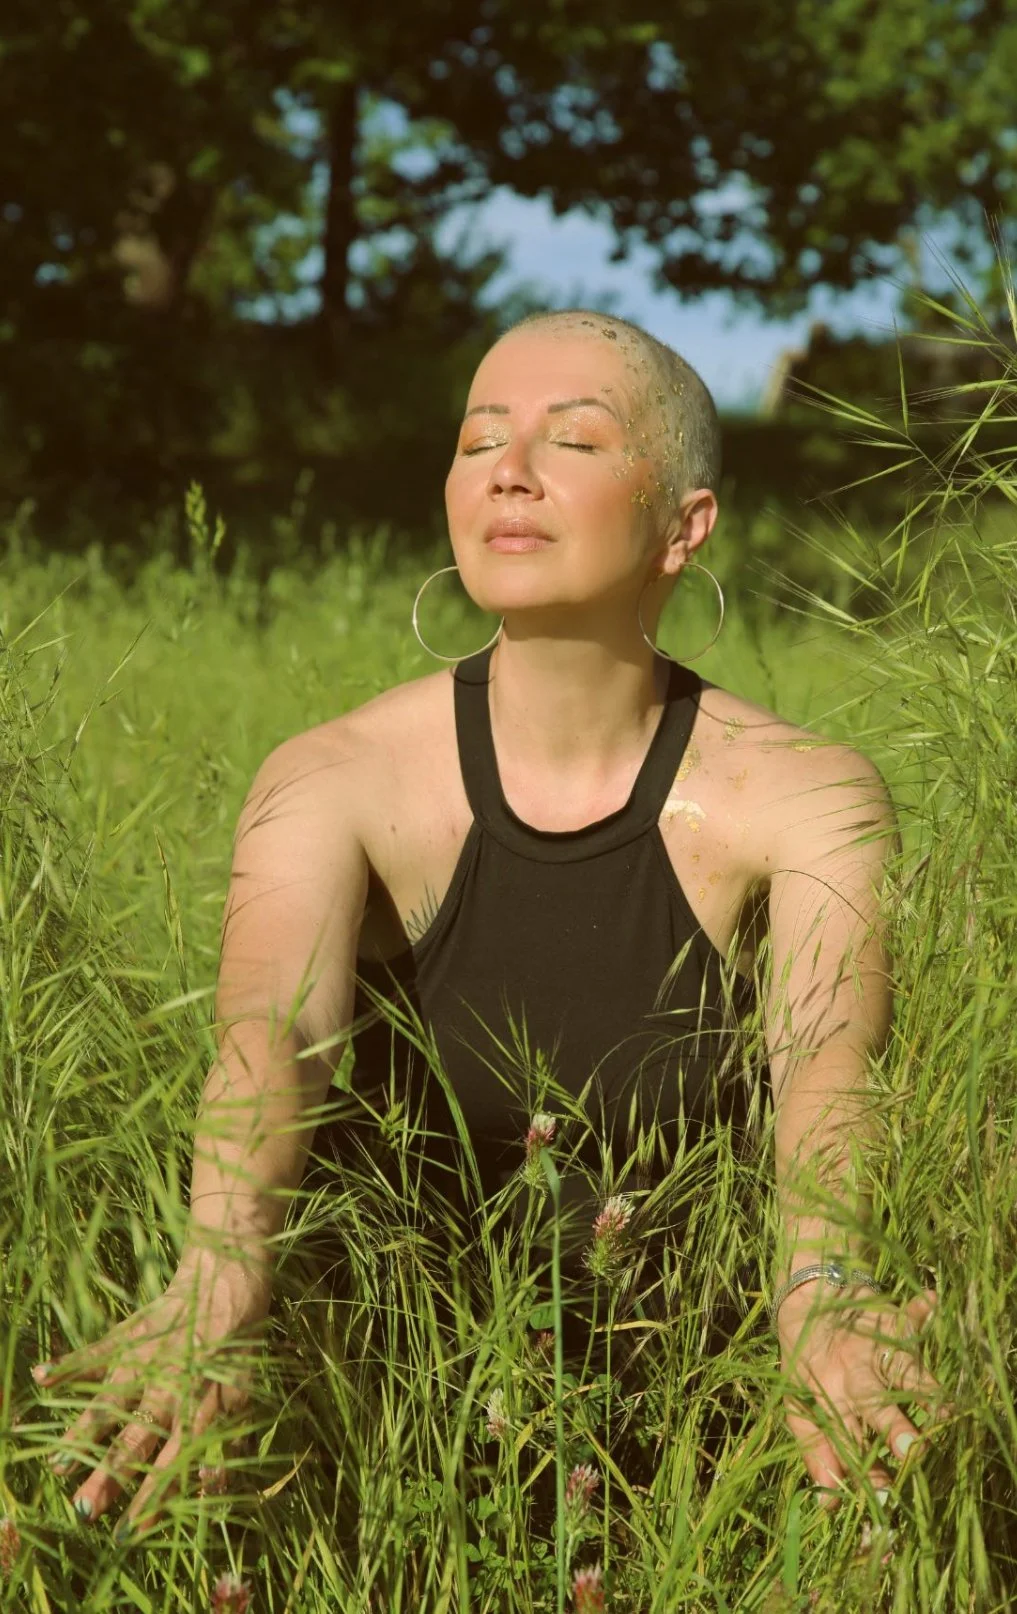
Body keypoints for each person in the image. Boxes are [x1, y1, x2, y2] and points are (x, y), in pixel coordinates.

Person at [32, 308, 947, 1544]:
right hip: (391, 1435)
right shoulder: (331, 777)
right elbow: (269, 1042)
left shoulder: (803, 797)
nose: (508, 468)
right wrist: (220, 1267)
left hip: (712, 1437)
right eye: (477, 442)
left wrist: (826, 1284)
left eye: (571, 439)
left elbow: (831, 1071)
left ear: (686, 525)